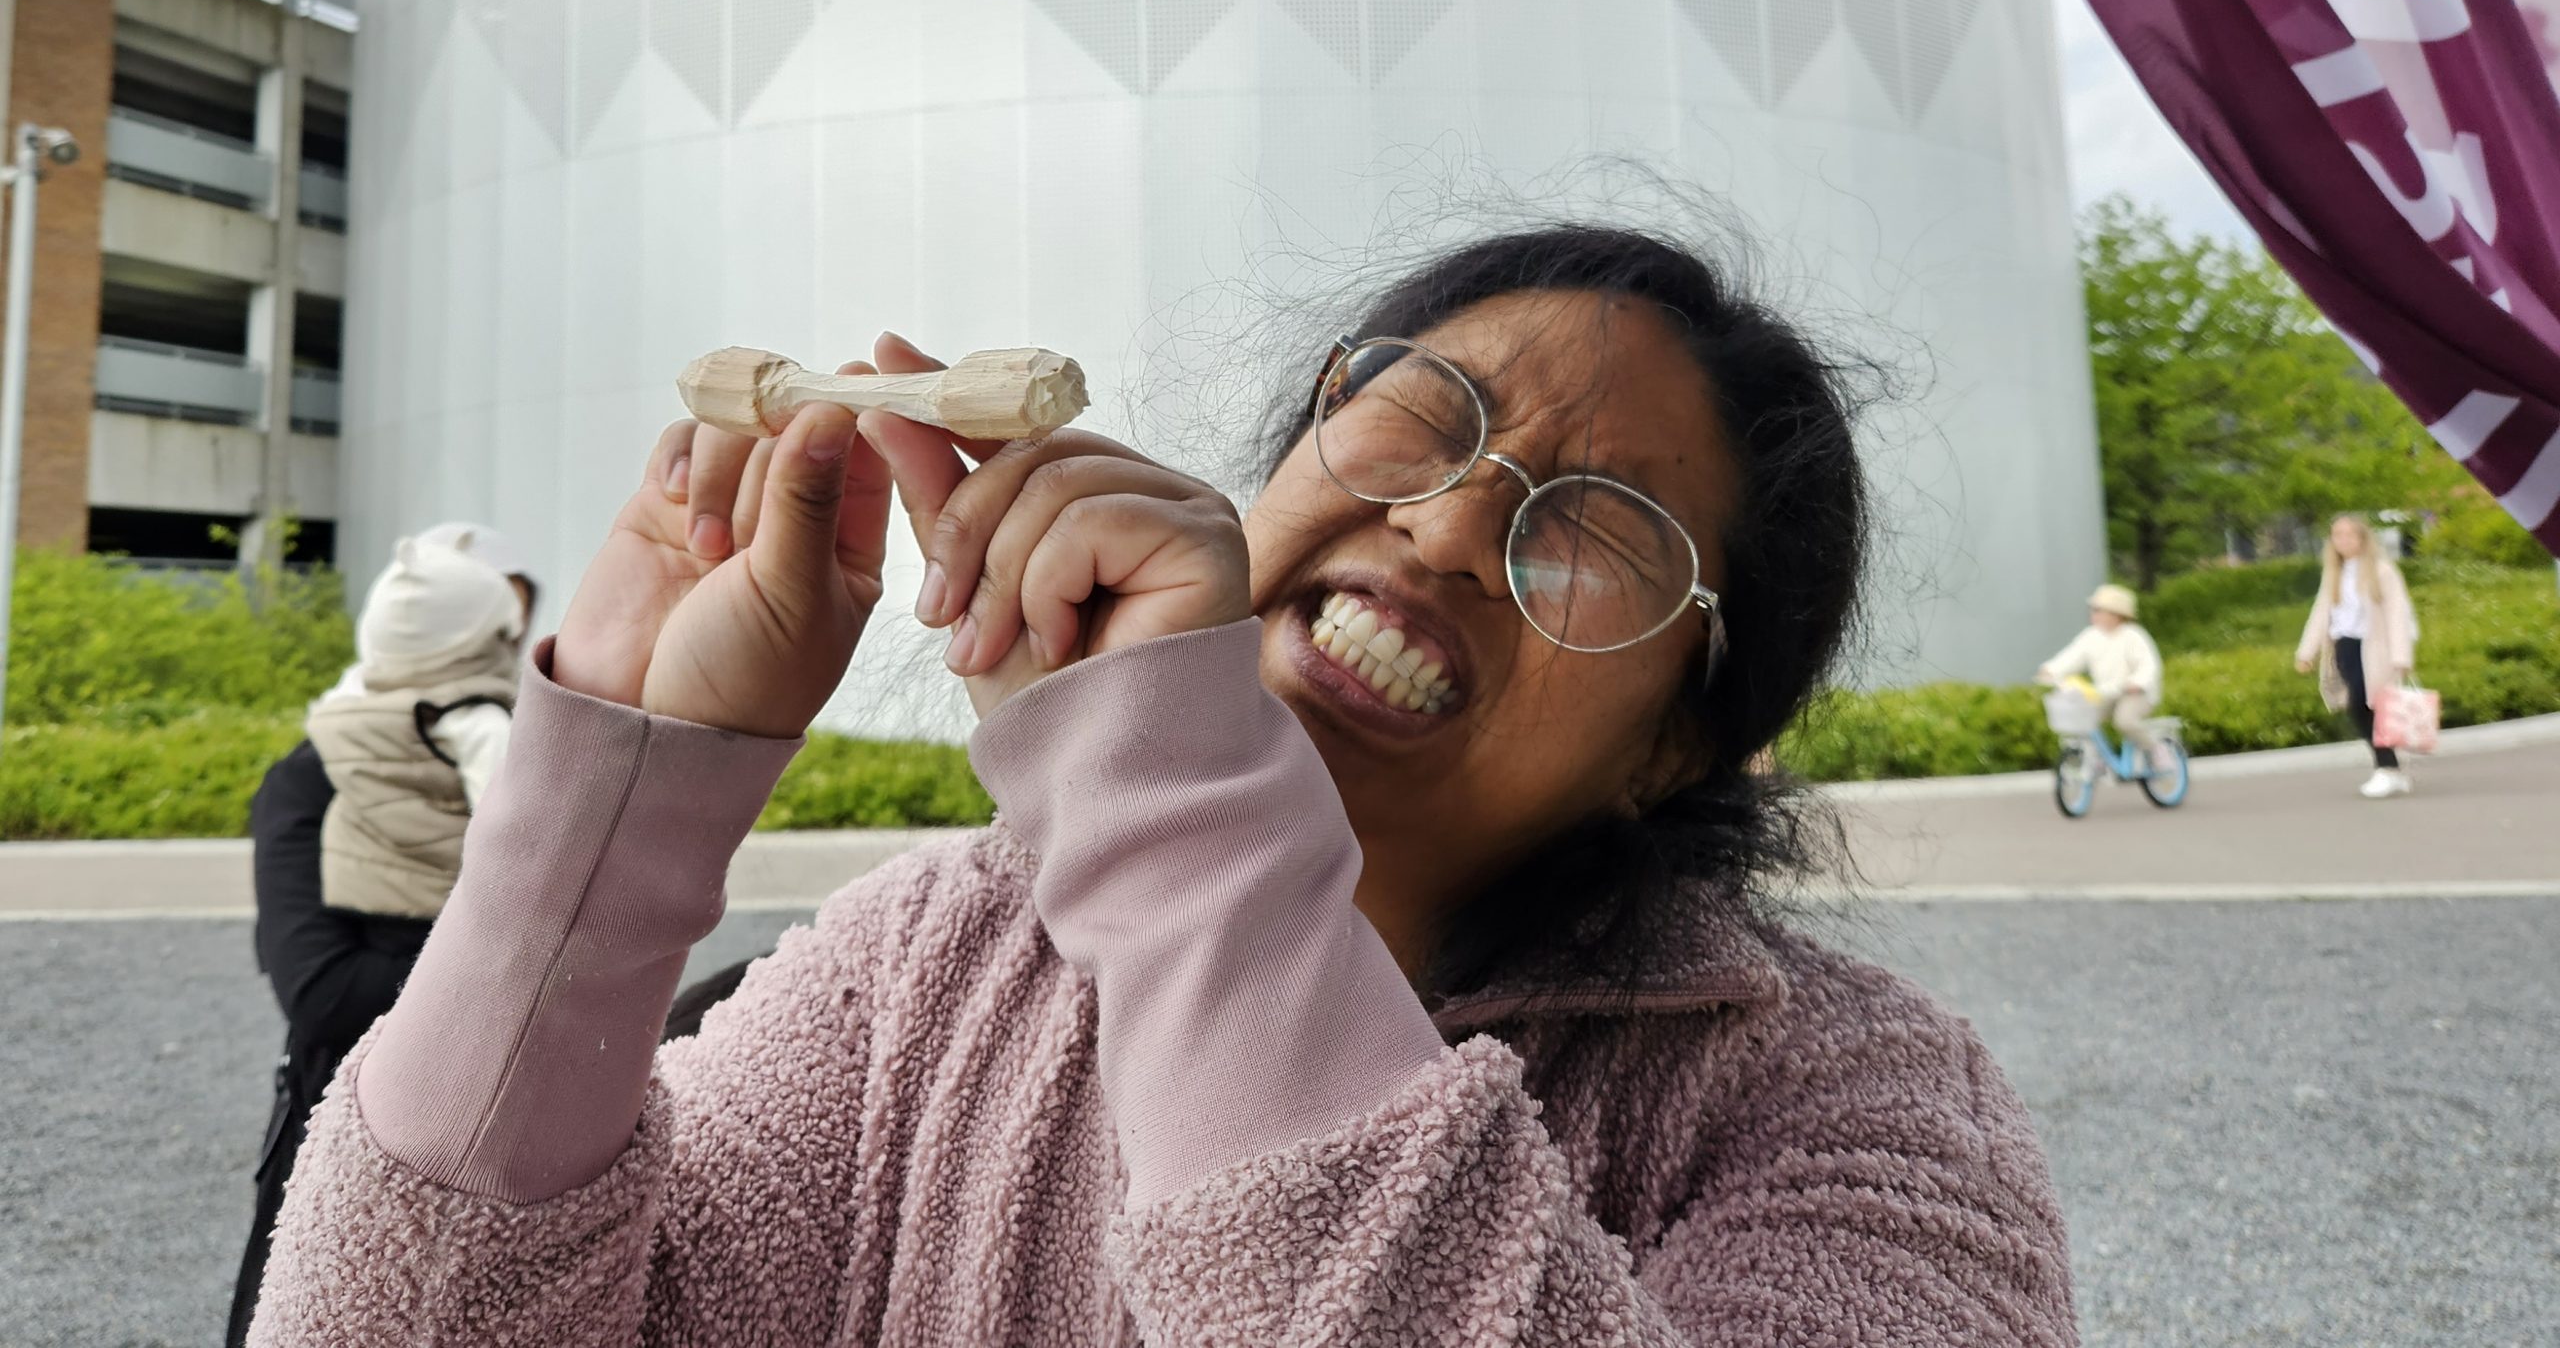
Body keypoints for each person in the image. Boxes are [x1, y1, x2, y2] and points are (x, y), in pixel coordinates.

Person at [246, 228, 2075, 1346]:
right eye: (1420, 417)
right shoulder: (928, 963)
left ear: (1687, 734)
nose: (1448, 523)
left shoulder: (1858, 1108)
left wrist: (1183, 821)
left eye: (1595, 527)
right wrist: (616, 803)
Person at [223, 527, 534, 1348]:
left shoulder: (510, 754)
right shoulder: (314, 776)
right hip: (349, 1124)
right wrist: (507, 975)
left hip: (512, 1130)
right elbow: (323, 992)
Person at [2295, 512, 2419, 799]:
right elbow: (2321, 614)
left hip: (2375, 649)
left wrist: (2401, 656)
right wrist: (2306, 652)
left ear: (2363, 538)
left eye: (2350, 534)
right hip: (2345, 647)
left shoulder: (2381, 571)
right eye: (2337, 535)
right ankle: (2390, 767)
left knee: (2369, 706)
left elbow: (2398, 613)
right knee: (2359, 707)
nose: (2343, 540)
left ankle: (2387, 768)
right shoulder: (2334, 573)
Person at [2036, 581, 2167, 762]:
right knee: (2084, 722)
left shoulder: (2133, 636)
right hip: (2106, 693)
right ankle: (2095, 761)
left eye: (2098, 610)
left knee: (2125, 721)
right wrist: (2051, 670)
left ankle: (2156, 750)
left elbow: (2149, 665)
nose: (2094, 614)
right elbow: (2071, 657)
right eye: (2093, 610)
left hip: (2136, 694)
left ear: (2116, 615)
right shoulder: (2091, 636)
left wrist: (2138, 682)